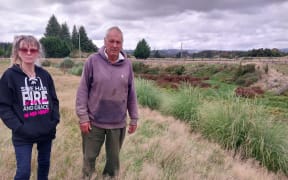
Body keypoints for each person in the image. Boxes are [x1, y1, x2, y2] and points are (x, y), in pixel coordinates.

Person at [76, 26, 139, 179]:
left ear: (122, 44)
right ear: (105, 42)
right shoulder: (92, 61)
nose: (115, 45)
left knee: (113, 162)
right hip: (93, 122)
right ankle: (88, 177)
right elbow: (83, 90)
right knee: (89, 157)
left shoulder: (127, 65)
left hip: (117, 123)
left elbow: (131, 93)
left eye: (118, 42)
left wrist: (134, 118)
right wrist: (83, 117)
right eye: (111, 41)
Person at [0, 35, 60, 180]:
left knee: (44, 166)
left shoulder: (44, 75)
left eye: (33, 50)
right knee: (23, 172)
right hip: (23, 135)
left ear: (38, 52)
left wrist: (54, 121)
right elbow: (3, 106)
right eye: (24, 49)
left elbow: (54, 100)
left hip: (46, 132)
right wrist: (19, 127)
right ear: (17, 52)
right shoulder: (9, 76)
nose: (28, 53)